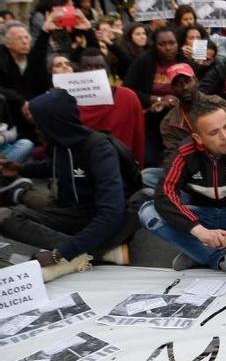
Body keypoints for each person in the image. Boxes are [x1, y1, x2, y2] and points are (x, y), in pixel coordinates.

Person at [0, 90, 136, 281]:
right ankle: (97, 253)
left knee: (139, 204)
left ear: (56, 123)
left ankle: (77, 253)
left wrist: (59, 254)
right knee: (4, 216)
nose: (36, 128)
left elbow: (110, 214)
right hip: (72, 214)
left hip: (100, 217)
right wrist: (20, 169)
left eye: (39, 123)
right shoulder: (61, 145)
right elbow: (59, 168)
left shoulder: (100, 149)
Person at [139, 99, 226, 279]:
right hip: (201, 217)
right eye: (214, 132)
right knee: (147, 212)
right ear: (198, 138)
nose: (225, 136)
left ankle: (197, 253)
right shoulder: (185, 151)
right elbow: (165, 192)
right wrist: (200, 231)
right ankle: (220, 259)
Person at [124, 27, 191, 168]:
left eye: (172, 43)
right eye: (162, 44)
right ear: (155, 45)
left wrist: (178, 99)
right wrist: (156, 99)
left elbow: (196, 86)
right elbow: (128, 90)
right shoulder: (144, 61)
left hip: (181, 121)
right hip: (152, 120)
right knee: (150, 161)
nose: (168, 48)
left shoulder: (184, 60)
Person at [77, 48, 146, 167]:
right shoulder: (70, 101)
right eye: (87, 67)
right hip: (82, 168)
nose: (94, 72)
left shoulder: (128, 97)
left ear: (108, 69)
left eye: (99, 67)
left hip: (121, 166)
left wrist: (137, 169)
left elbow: (138, 137)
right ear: (78, 71)